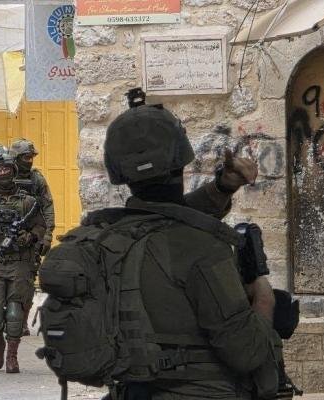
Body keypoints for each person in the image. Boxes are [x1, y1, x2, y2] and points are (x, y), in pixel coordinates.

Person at [94, 104, 280, 399]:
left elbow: (163, 213)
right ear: (181, 160)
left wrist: (221, 188)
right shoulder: (204, 248)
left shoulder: (103, 237)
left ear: (118, 170)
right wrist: (264, 300)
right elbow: (248, 352)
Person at [0, 152, 46, 374]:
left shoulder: (27, 201)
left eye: (6, 169)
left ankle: (12, 354)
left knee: (14, 313)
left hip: (20, 262)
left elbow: (40, 226)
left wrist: (29, 237)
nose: (3, 172)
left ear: (13, 171)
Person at [8, 138, 55, 336]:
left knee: (27, 282)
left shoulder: (37, 180)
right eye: (25, 157)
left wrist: (47, 235)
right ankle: (8, 318)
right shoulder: (3, 175)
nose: (29, 161)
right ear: (15, 158)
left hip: (32, 237)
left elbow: (47, 207)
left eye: (31, 157)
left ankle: (22, 322)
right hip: (7, 236)